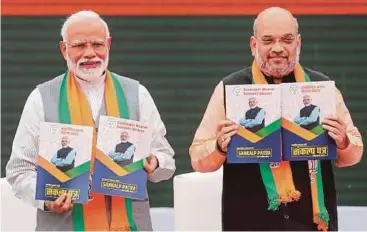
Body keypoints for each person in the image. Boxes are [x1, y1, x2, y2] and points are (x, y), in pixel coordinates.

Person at [189, 7, 363, 231]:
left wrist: (343, 143)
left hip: (311, 221)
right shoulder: (230, 89)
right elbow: (197, 157)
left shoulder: (321, 88)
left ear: (298, 43)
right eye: (268, 40)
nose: (278, 48)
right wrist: (219, 147)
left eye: (287, 40)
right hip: (248, 220)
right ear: (254, 45)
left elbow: (355, 151)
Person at [6, 10, 176, 231]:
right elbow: (19, 170)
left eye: (97, 44)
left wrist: (155, 163)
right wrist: (46, 201)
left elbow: (167, 161)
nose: (89, 53)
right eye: (79, 45)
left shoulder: (137, 94)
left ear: (108, 45)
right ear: (63, 49)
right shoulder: (41, 98)